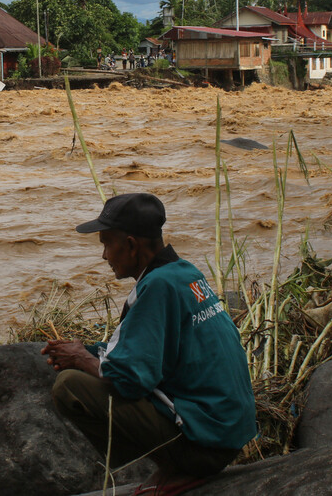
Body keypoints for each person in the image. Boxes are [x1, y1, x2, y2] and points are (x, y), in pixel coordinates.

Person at [43, 193, 256, 496]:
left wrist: (81, 360)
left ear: (131, 245)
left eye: (107, 244)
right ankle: (177, 461)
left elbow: (129, 380)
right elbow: (150, 350)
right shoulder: (184, 272)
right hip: (227, 434)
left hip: (206, 446)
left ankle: (177, 463)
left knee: (69, 386)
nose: (104, 256)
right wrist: (86, 350)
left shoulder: (157, 286)